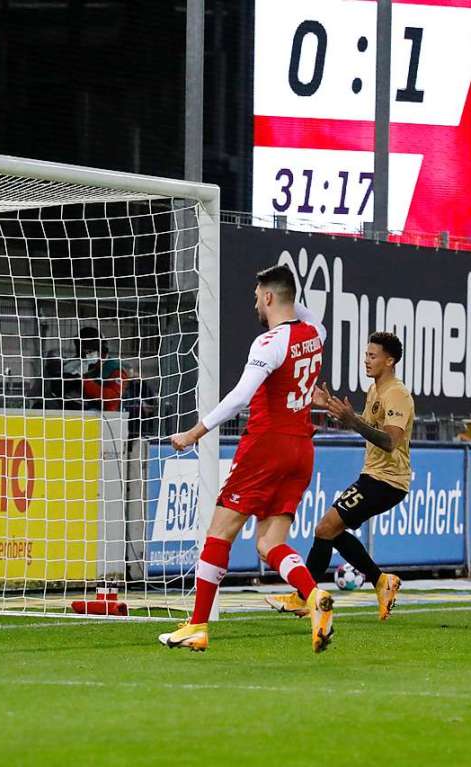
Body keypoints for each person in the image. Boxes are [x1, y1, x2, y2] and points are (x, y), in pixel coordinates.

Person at [158, 264, 335, 653]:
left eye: (258, 295)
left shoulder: (269, 343)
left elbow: (239, 398)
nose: (255, 301)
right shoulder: (315, 335)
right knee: (270, 543)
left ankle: (198, 625)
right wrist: (286, 292)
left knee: (219, 532)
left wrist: (193, 433)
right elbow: (304, 314)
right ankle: (313, 595)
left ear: (269, 297)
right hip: (301, 449)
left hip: (266, 446)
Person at [266, 332, 411, 621]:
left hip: (387, 480)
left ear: (390, 360)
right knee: (330, 530)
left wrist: (352, 420)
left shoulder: (396, 393)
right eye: (366, 354)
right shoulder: (375, 391)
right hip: (376, 477)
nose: (366, 360)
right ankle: (382, 581)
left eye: (373, 355)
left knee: (324, 529)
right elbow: (367, 428)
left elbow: (390, 441)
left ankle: (302, 597)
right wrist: (337, 411)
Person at [62, 326, 128, 411]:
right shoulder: (76, 363)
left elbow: (112, 398)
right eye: (83, 352)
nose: (85, 355)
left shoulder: (114, 370)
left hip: (107, 417)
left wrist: (83, 383)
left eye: (89, 351)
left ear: (100, 350)